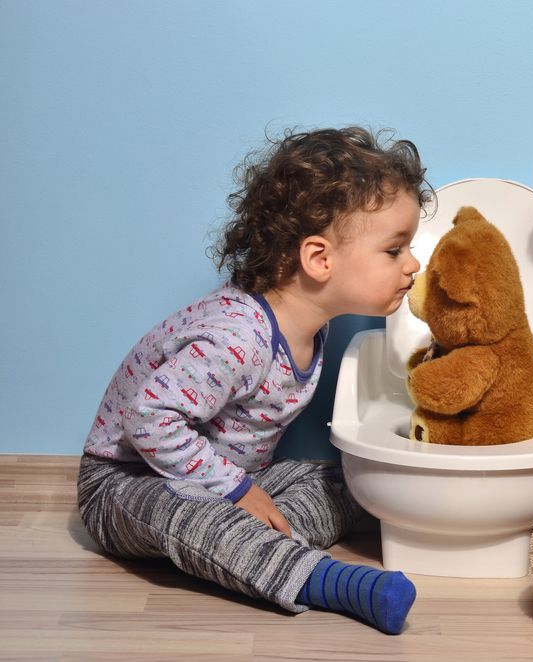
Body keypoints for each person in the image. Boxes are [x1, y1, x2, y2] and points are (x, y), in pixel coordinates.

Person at [77, 127, 428, 634]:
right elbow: (148, 420)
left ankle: (247, 548)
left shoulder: (311, 325)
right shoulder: (238, 337)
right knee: (193, 515)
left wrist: (243, 491)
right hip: (126, 482)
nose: (413, 264)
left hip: (225, 480)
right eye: (395, 250)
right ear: (319, 259)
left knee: (345, 477)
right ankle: (322, 580)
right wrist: (236, 490)